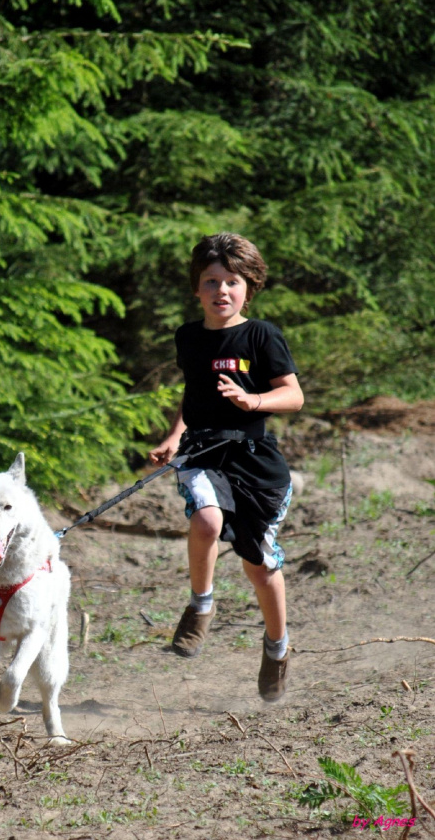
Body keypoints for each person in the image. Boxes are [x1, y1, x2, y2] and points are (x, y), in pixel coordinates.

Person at [149, 232, 304, 701]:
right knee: (206, 518)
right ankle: (201, 606)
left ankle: (277, 648)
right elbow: (193, 395)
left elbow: (293, 395)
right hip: (202, 453)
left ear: (248, 287)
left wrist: (251, 399)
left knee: (259, 568)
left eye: (232, 282)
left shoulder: (261, 335)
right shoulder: (189, 338)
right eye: (211, 281)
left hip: (255, 461)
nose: (222, 290)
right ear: (196, 289)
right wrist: (175, 436)